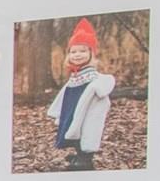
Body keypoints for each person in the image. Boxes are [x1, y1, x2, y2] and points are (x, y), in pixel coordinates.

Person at [47, 17, 117, 169]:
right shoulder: (76, 76)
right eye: (74, 52)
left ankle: (86, 157)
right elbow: (67, 90)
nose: (77, 55)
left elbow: (100, 85)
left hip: (88, 108)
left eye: (83, 51)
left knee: (86, 127)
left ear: (91, 54)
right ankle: (79, 152)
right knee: (73, 125)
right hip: (74, 104)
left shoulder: (92, 77)